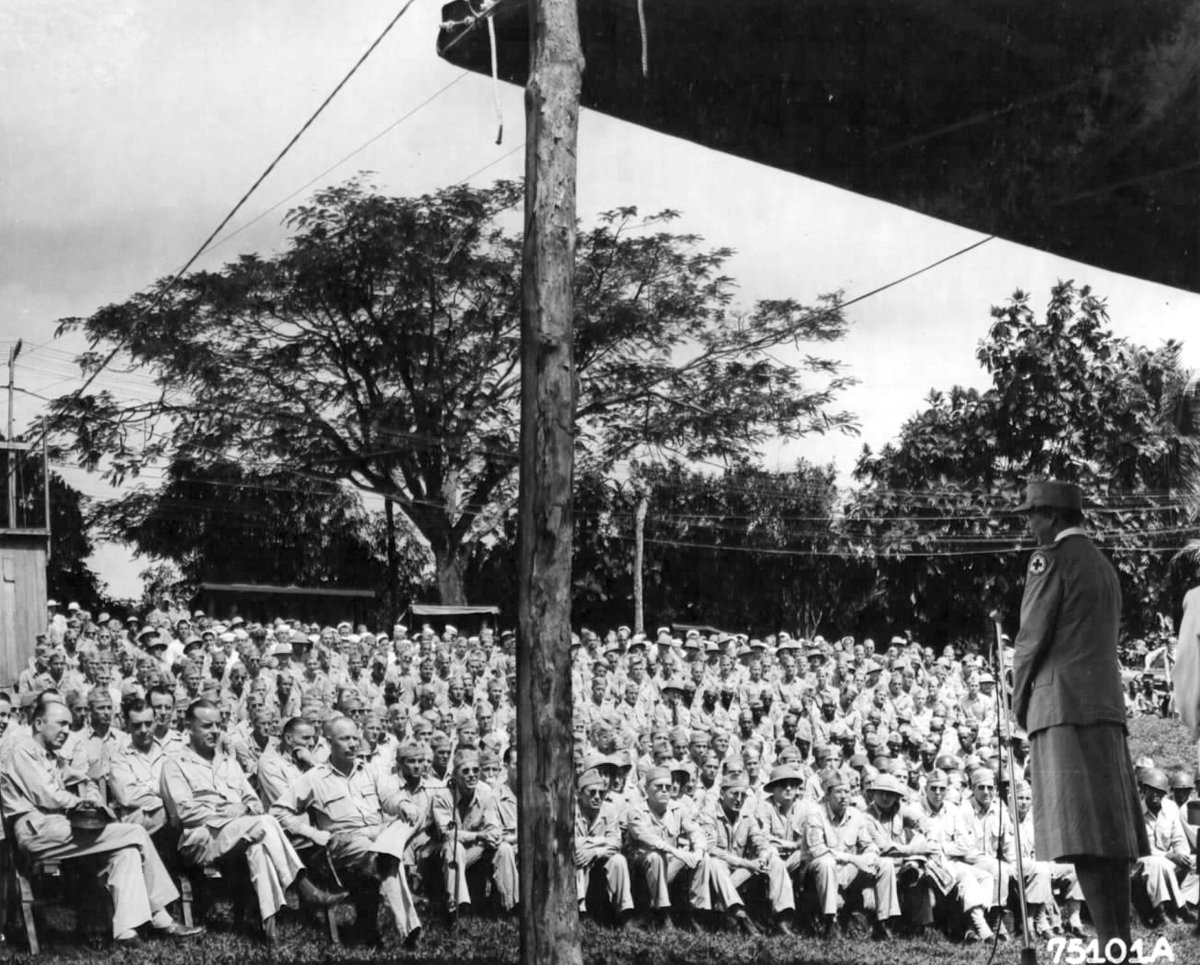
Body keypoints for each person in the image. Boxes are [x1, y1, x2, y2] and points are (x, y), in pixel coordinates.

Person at [1011, 480, 1150, 961]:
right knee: (1109, 838)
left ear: (1051, 515)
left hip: (1062, 709)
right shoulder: (1104, 567)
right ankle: (1118, 945)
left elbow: (1030, 642)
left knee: (1084, 837)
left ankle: (1111, 945)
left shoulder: (1049, 561)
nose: (1029, 524)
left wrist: (1016, 705)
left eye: (1032, 514)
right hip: (1106, 710)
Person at [0, 695, 202, 944]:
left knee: (126, 851)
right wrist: (82, 802)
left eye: (69, 725)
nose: (66, 731)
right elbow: (48, 796)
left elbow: (82, 779)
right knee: (135, 833)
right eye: (61, 724)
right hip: (36, 831)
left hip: (58, 829)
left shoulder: (51, 756)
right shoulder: (22, 751)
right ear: (39, 723)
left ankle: (126, 932)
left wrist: (93, 795)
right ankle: (162, 916)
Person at [160, 698, 341, 941]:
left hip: (240, 834)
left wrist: (242, 808)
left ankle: (269, 931)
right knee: (266, 823)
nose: (215, 731)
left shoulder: (228, 762)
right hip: (200, 840)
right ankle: (303, 887)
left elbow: (254, 802)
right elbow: (184, 813)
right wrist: (229, 811)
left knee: (260, 849)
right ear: (189, 727)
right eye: (206, 726)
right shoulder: (175, 764)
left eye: (218, 725)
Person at [271, 716, 421, 947]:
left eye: (355, 738)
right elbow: (278, 811)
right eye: (344, 739)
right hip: (344, 843)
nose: (352, 744)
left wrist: (403, 805)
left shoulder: (369, 770)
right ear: (329, 741)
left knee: (411, 819)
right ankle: (406, 927)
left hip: (378, 833)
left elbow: (389, 797)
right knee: (383, 855)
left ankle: (379, 862)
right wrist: (311, 833)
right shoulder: (315, 778)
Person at [574, 767, 635, 925]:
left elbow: (616, 842)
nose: (597, 797)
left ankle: (623, 912)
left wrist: (595, 851)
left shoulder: (609, 809)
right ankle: (581, 913)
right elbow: (572, 842)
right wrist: (600, 841)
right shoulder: (571, 811)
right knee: (579, 856)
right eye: (592, 792)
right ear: (579, 794)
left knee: (619, 860)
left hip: (600, 858)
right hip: (579, 860)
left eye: (601, 793)